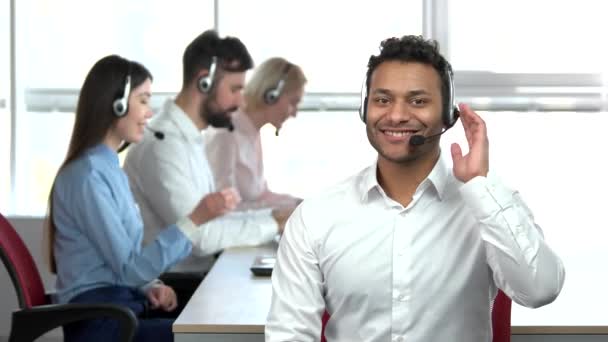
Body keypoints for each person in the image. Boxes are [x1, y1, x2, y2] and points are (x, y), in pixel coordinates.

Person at [265, 35, 565, 341]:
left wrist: (479, 184)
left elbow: (540, 289)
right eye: (382, 100)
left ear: (448, 115)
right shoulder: (316, 217)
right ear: (364, 108)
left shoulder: (486, 204)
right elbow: (289, 334)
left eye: (418, 101)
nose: (396, 115)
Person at [45, 55, 231, 342]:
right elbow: (129, 269)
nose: (149, 113)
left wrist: (149, 286)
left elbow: (122, 265)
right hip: (101, 323)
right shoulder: (88, 177)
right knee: (210, 337)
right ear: (116, 105)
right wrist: (195, 219)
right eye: (143, 100)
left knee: (213, 324)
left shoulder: (108, 169)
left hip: (121, 308)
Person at [123, 30, 292, 308]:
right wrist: (274, 222)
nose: (240, 102)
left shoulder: (189, 139)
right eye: (235, 89)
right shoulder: (163, 146)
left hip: (195, 277)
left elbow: (214, 221)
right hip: (170, 288)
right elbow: (200, 236)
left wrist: (276, 215)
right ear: (204, 82)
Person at [205, 57, 307, 210]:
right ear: (271, 95)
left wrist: (299, 204)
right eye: (293, 102)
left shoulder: (252, 133)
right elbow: (225, 209)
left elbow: (261, 195)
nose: (295, 113)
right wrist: (278, 214)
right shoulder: (225, 135)